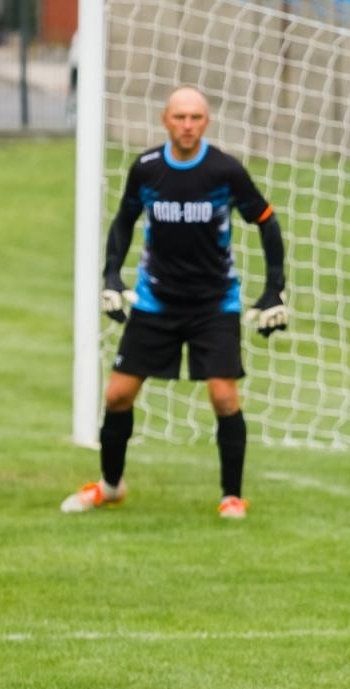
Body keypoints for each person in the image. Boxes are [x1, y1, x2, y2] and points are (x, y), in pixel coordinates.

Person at [60, 86, 288, 520]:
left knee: (224, 397)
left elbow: (265, 220)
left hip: (214, 304)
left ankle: (232, 496)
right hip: (155, 302)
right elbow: (124, 220)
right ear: (165, 119)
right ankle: (110, 487)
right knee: (117, 396)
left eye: (196, 118)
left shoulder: (225, 170)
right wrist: (112, 275)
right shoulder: (146, 169)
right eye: (180, 117)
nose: (188, 126)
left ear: (207, 122)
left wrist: (275, 287)